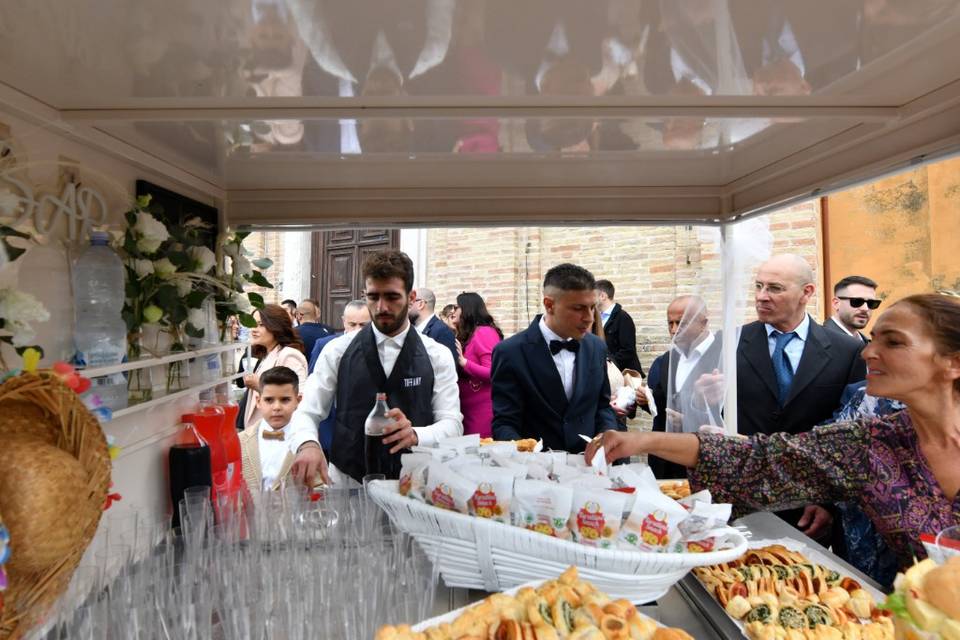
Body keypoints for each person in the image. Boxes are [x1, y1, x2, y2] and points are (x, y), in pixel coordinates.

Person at [586, 293, 960, 571]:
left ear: (953, 362)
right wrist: (641, 439)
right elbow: (758, 458)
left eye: (892, 342)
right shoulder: (870, 443)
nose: (867, 352)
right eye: (873, 338)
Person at [688, 254, 866, 542]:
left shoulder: (846, 351)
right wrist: (701, 398)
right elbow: (703, 414)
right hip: (740, 496)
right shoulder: (728, 342)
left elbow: (847, 435)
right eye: (758, 286)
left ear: (806, 292)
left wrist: (827, 502)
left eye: (774, 288)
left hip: (808, 505)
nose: (761, 297)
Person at [287, 250, 462, 485]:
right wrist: (308, 444)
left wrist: (416, 435)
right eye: (373, 297)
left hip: (413, 486)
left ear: (411, 297)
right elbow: (307, 410)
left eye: (392, 297)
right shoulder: (337, 350)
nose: (381, 307)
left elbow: (452, 424)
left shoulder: (437, 355)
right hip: (348, 484)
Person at [491, 263, 618, 452]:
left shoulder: (596, 347)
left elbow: (602, 407)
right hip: (535, 472)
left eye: (592, 308)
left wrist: (606, 437)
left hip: (589, 468)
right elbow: (505, 422)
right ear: (549, 305)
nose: (590, 318)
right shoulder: (510, 352)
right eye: (579, 308)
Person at [647, 295, 721, 479]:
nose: (674, 330)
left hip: (706, 462)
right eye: (669, 323)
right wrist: (643, 399)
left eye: (681, 323)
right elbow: (661, 402)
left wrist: (690, 419)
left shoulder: (726, 356)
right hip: (665, 462)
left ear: (703, 323)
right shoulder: (666, 360)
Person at [307, 300, 371, 456]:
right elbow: (314, 386)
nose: (357, 330)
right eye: (352, 324)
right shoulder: (325, 345)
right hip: (332, 429)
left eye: (363, 325)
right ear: (343, 321)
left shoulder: (378, 346)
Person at [238, 366, 312, 502]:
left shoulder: (307, 443)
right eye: (269, 400)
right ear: (258, 401)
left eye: (285, 400)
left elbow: (318, 489)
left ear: (298, 400)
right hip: (254, 521)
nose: (276, 407)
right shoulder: (241, 441)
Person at [239, 304, 308, 431]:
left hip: (277, 433)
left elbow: (299, 396)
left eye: (261, 325)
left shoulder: (289, 356)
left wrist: (258, 384)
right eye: (253, 324)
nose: (254, 329)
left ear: (275, 327)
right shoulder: (267, 354)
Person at [453, 292, 503, 438]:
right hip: (468, 409)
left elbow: (492, 372)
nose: (453, 311)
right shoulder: (469, 333)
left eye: (457, 307)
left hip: (482, 412)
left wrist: (464, 362)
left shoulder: (484, 332)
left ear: (467, 308)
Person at [595, 279, 644, 374]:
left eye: (593, 295)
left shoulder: (623, 317)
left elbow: (628, 351)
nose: (591, 299)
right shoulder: (596, 319)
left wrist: (607, 364)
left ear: (602, 296)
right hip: (606, 374)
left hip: (624, 375)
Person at [409, 287, 459, 366]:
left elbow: (449, 367)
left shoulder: (442, 332)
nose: (406, 306)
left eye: (411, 301)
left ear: (421, 304)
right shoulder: (413, 329)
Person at [826, 276, 881, 345]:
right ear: (836, 303)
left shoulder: (867, 344)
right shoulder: (818, 342)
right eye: (857, 301)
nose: (865, 308)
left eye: (871, 303)